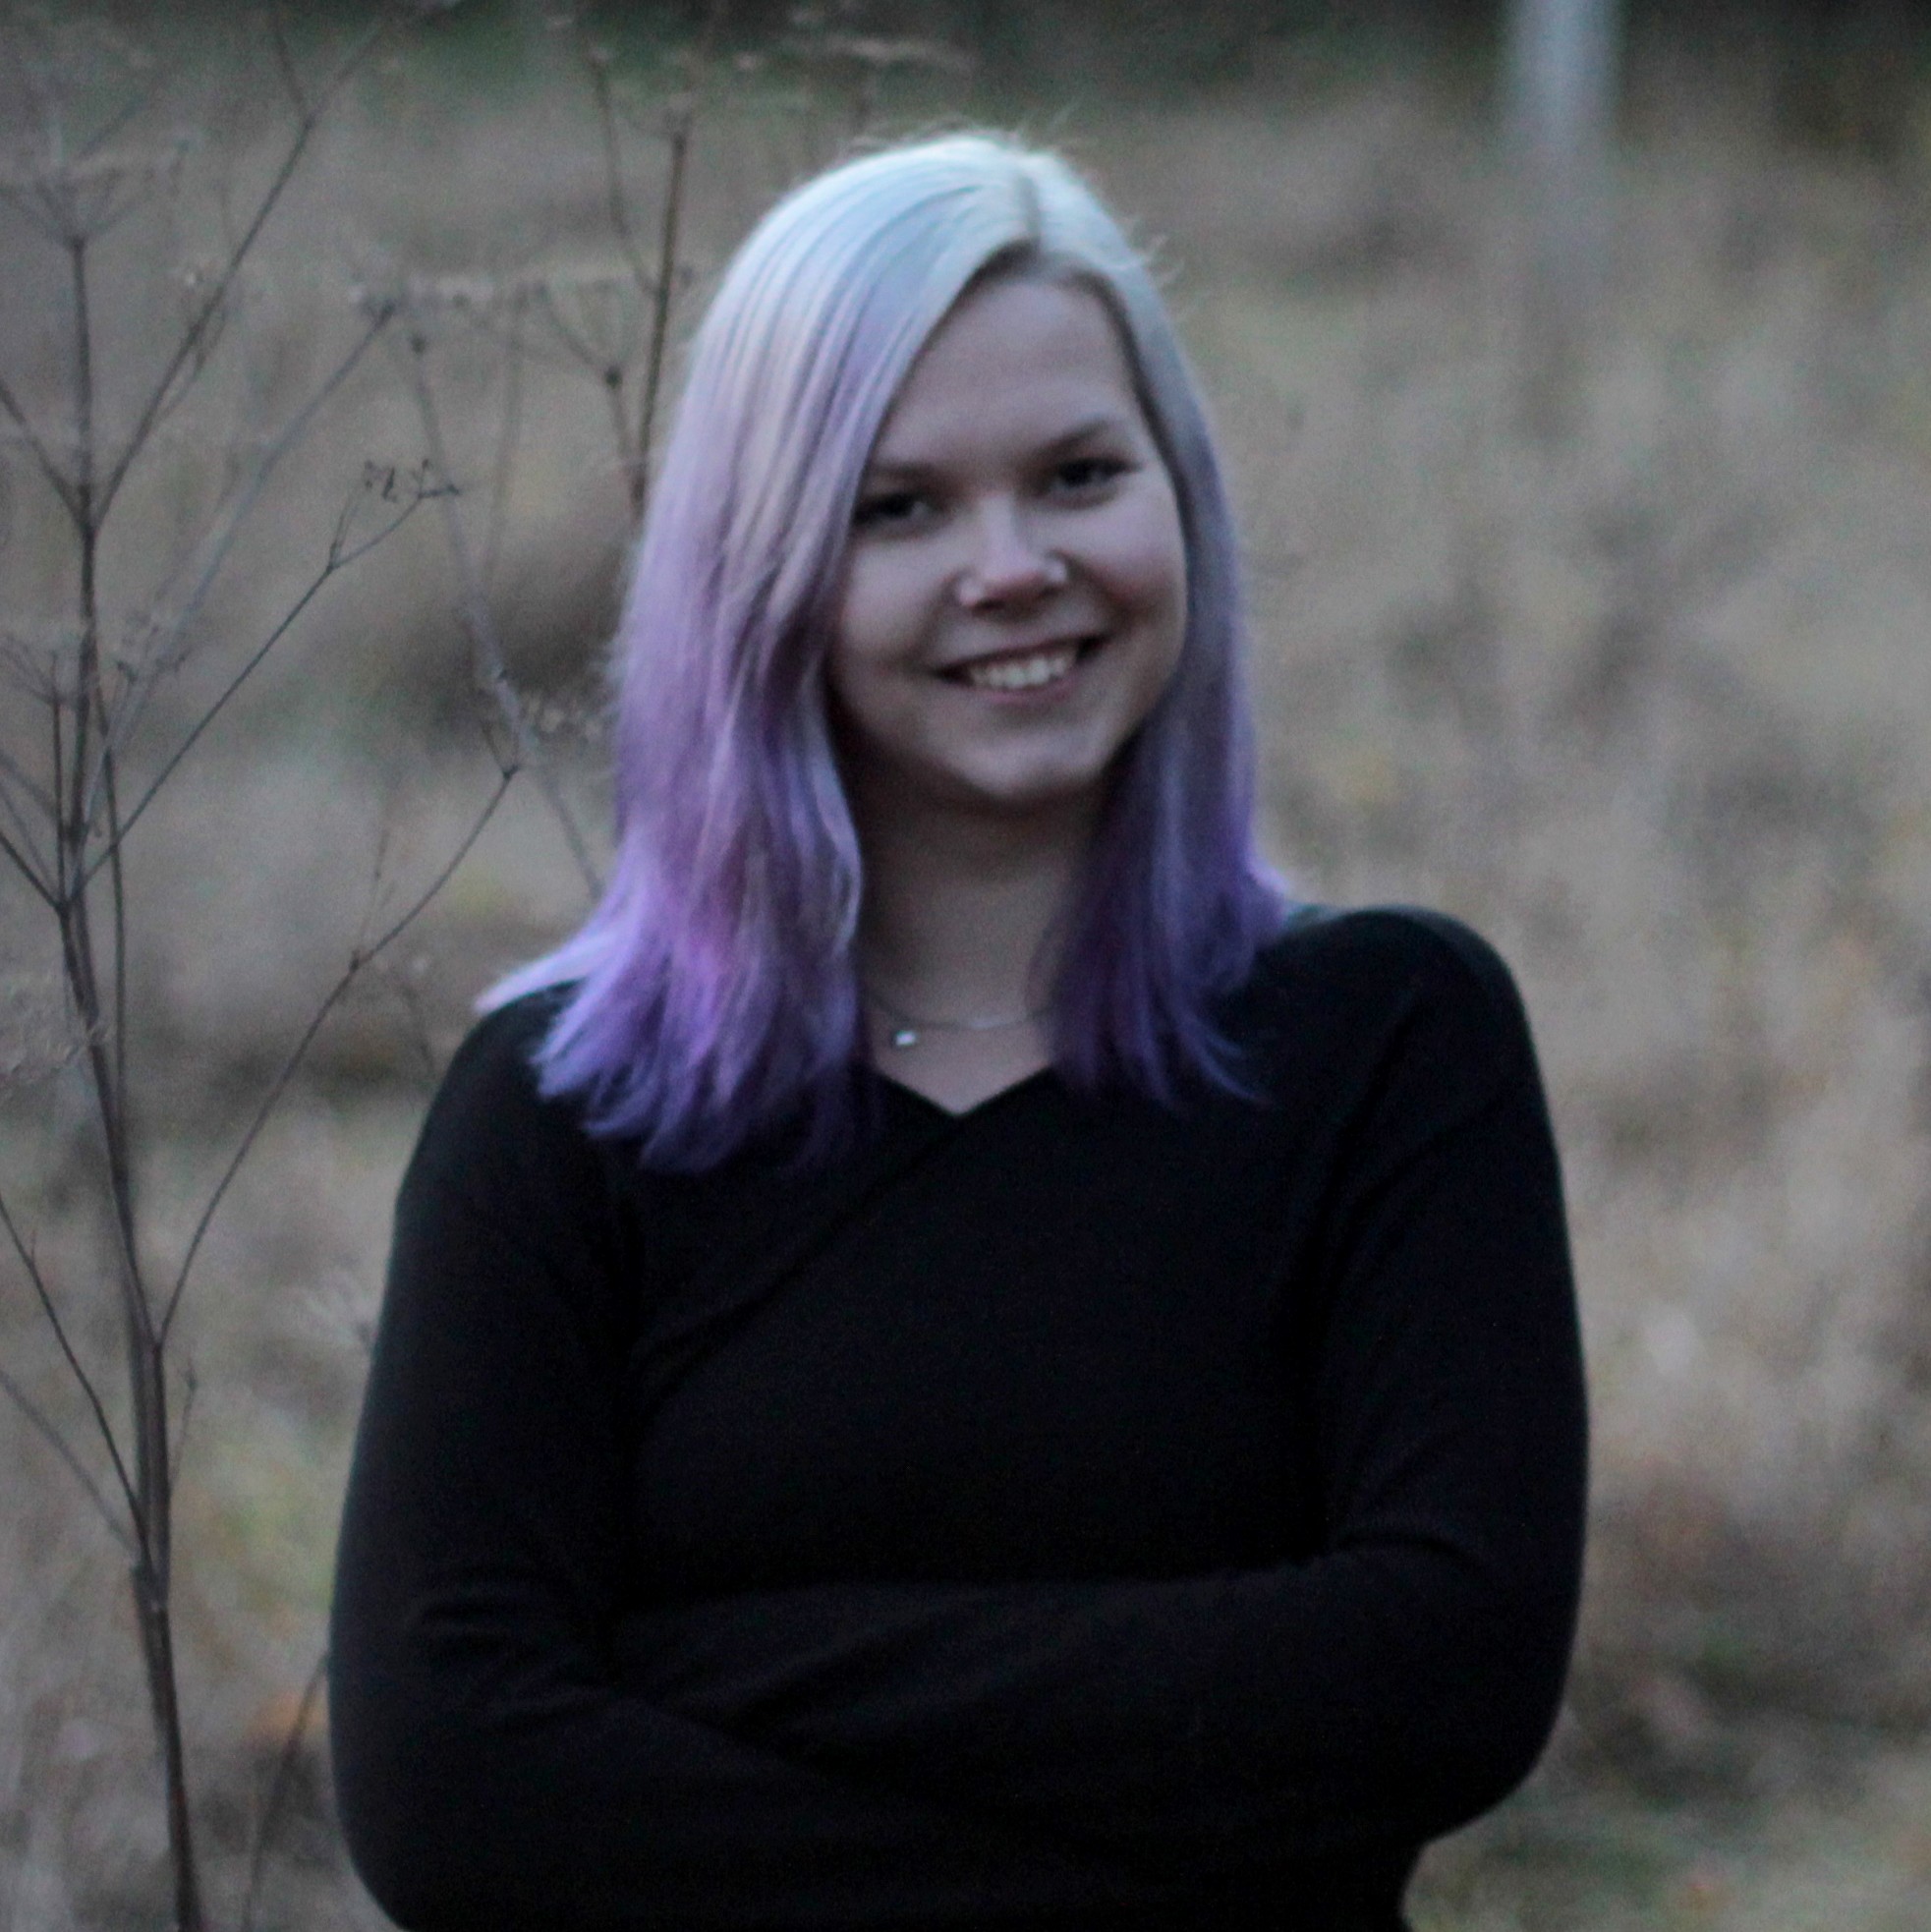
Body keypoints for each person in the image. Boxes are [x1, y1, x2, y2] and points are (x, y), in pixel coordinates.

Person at [328, 132, 1587, 1931]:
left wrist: (705, 1670)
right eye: (897, 507)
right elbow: (450, 1793)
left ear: (1179, 501)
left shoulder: (1386, 1039)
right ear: (765, 566)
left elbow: (1444, 1674)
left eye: (1077, 475)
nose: (1011, 566)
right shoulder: (565, 1113)